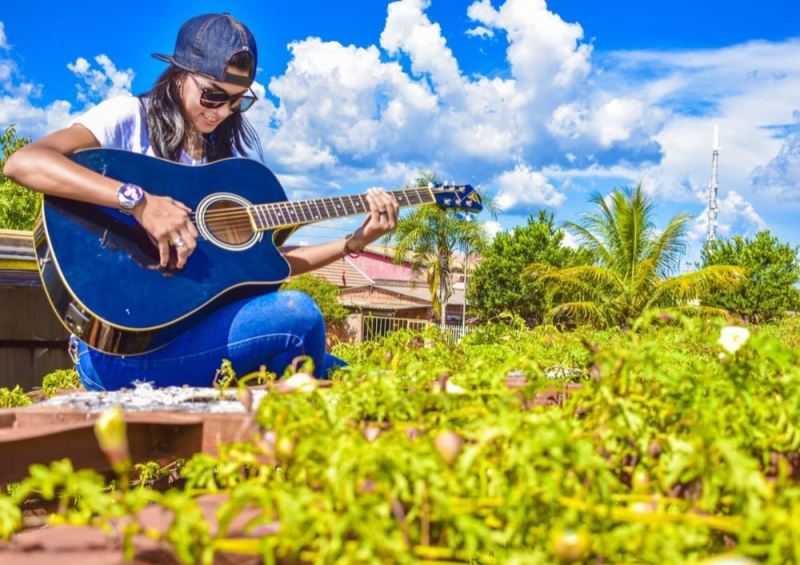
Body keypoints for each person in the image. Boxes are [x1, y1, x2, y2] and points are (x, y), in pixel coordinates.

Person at [3, 13, 400, 390]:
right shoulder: (130, 117)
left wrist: (354, 244)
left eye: (238, 101)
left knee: (357, 381)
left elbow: (267, 268)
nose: (223, 112)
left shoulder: (222, 168)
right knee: (299, 314)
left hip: (200, 342)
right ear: (178, 76)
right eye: (213, 96)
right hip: (118, 354)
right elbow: (25, 163)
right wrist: (138, 202)